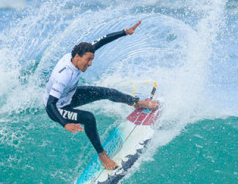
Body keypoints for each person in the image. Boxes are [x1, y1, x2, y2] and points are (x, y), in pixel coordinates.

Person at [44, 20, 159, 170]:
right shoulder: (64, 75)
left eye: (92, 59)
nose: (90, 63)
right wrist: (64, 123)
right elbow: (50, 105)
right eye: (88, 60)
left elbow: (102, 40)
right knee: (88, 118)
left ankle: (138, 103)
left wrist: (125, 32)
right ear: (78, 57)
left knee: (107, 92)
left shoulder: (78, 55)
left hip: (70, 95)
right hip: (58, 108)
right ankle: (103, 157)